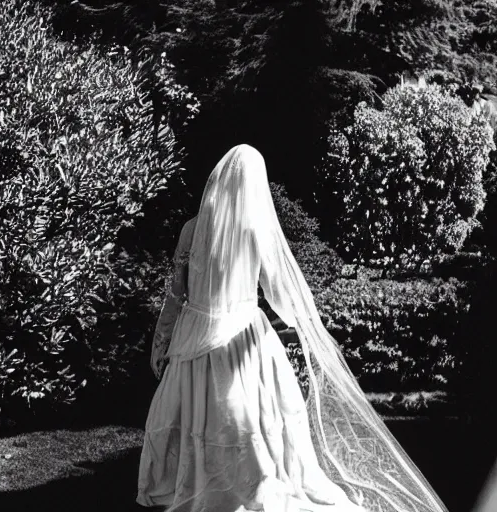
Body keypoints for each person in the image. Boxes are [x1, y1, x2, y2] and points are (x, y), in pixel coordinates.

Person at [137, 144, 449, 512]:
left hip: (193, 334)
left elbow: (176, 296)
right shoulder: (254, 228)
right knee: (245, 413)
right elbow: (278, 289)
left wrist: (162, 341)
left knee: (198, 413)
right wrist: (296, 319)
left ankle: (187, 480)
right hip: (241, 335)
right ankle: (242, 482)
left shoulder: (191, 229)